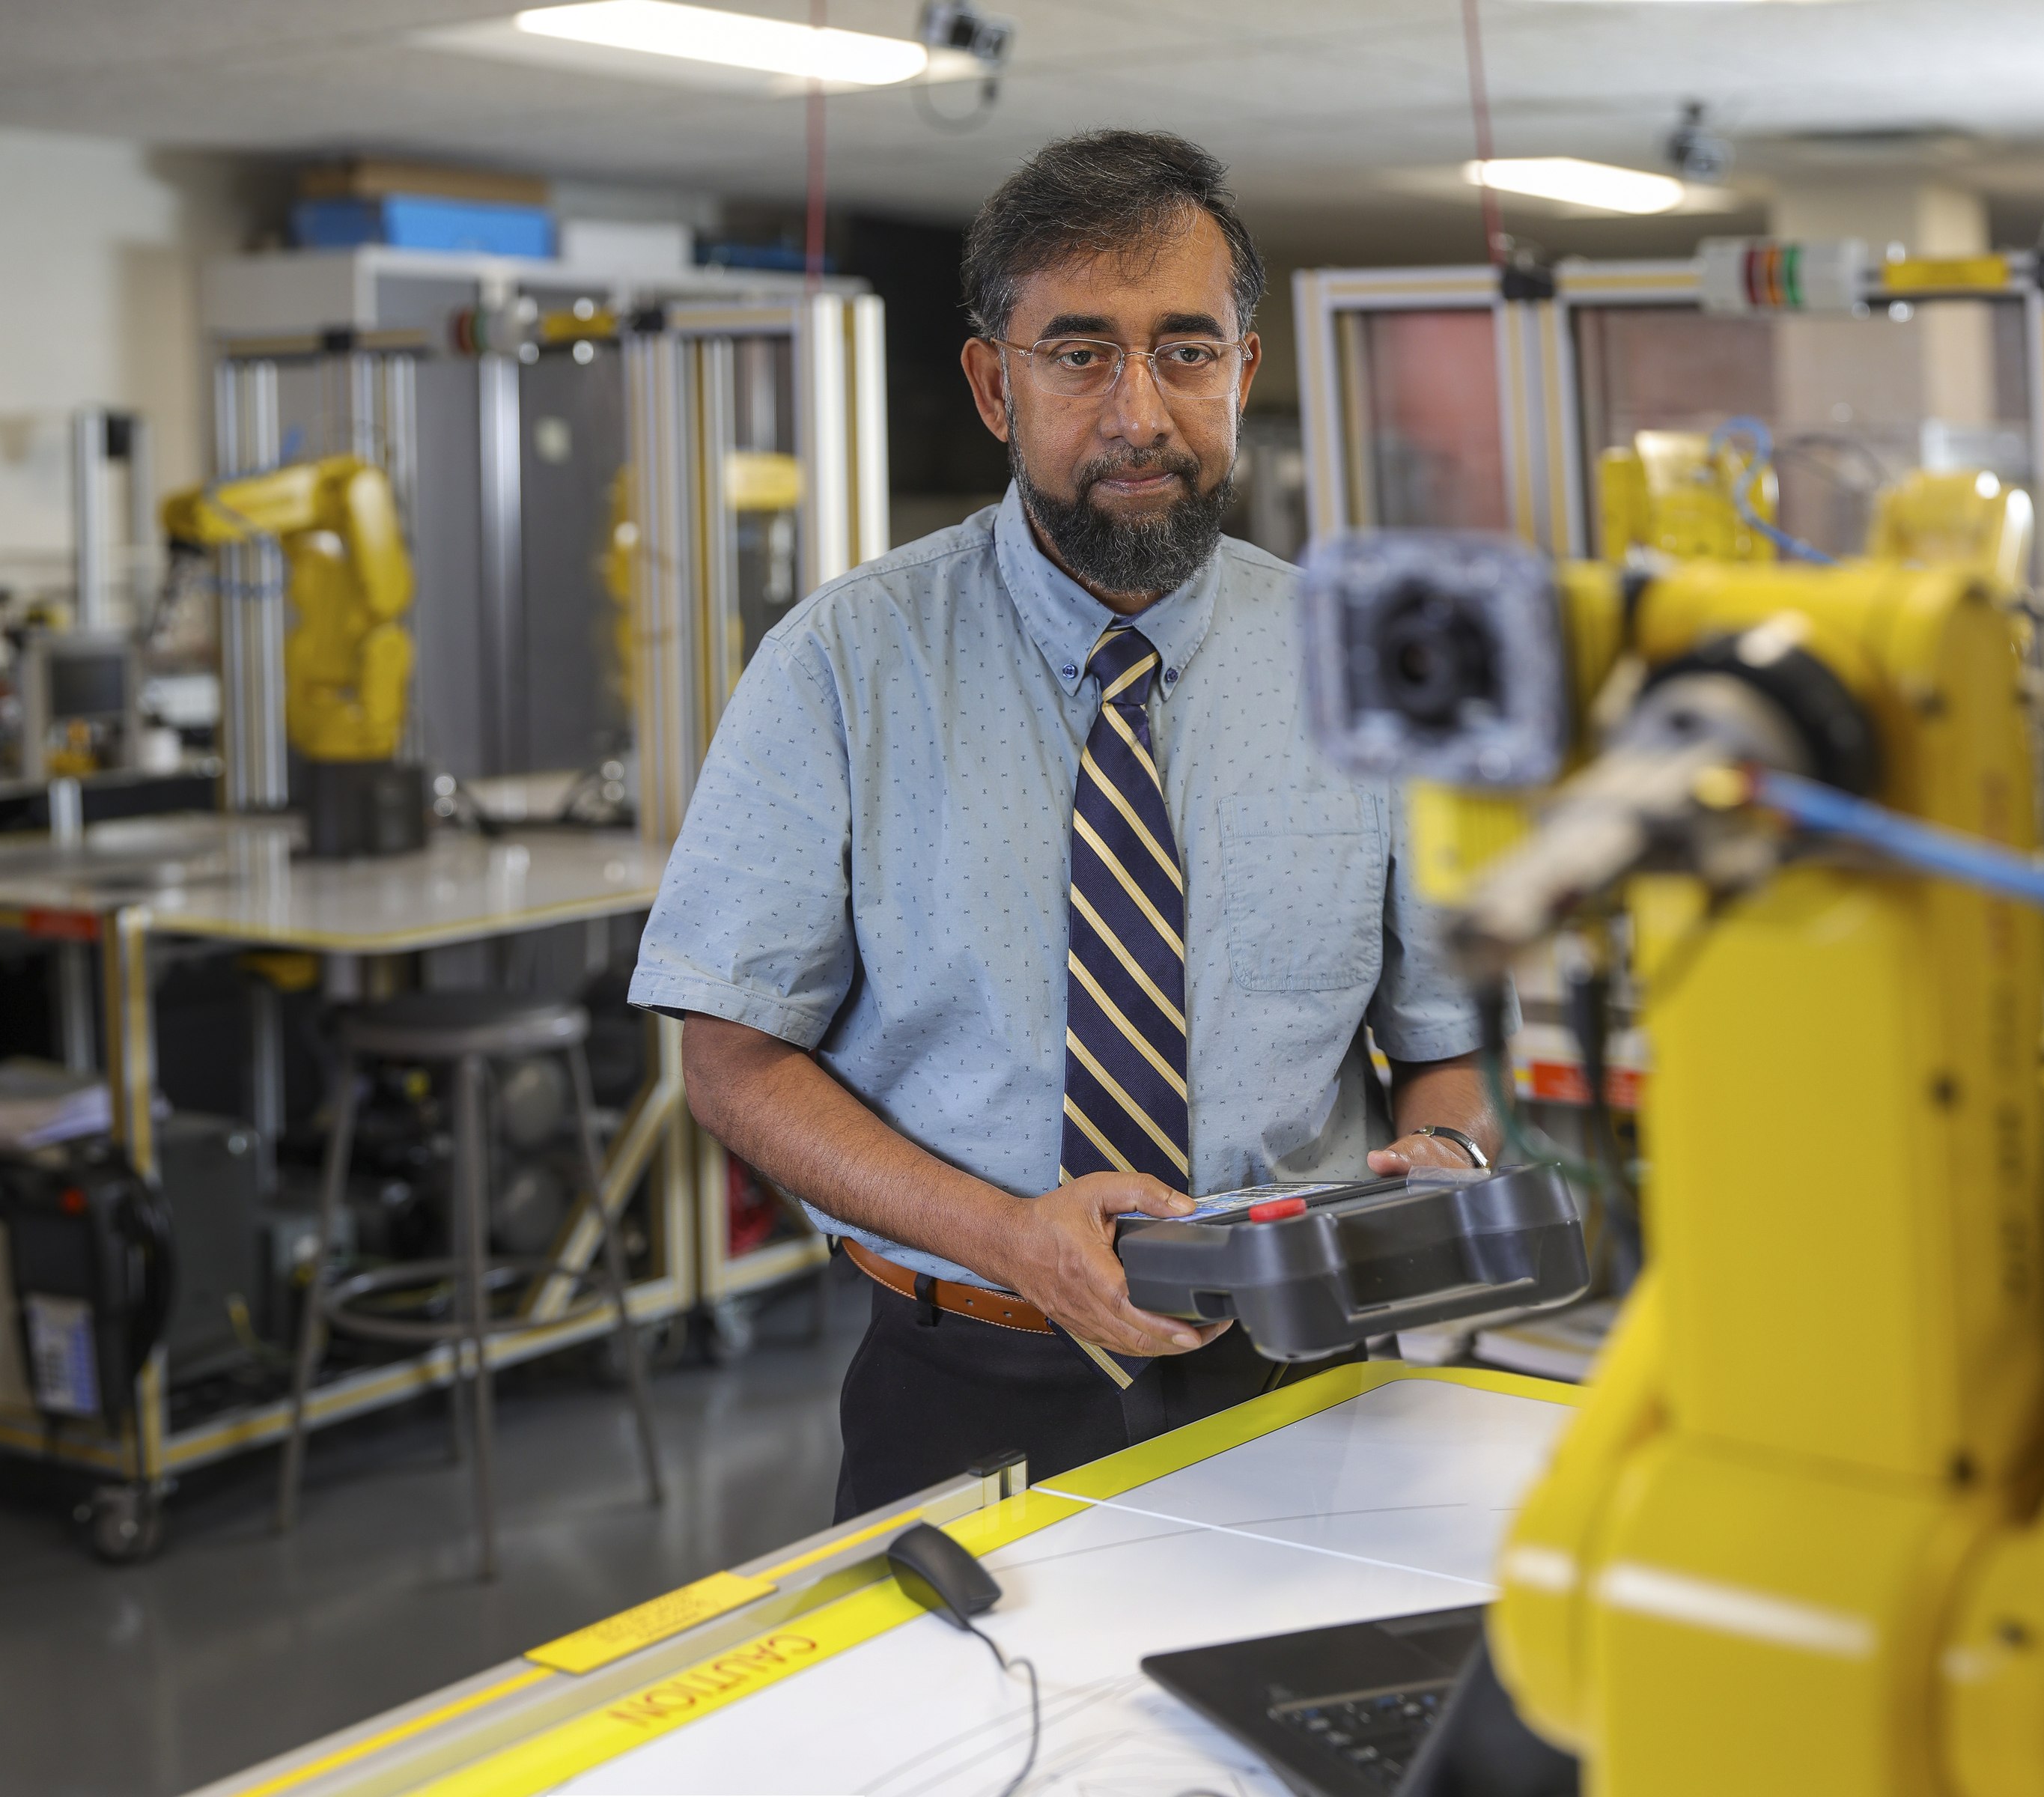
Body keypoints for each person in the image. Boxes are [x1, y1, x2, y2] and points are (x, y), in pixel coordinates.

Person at [630, 129, 1506, 1519]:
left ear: (1245, 368)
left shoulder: (1370, 669)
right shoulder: (844, 666)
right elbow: (733, 1061)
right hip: (967, 1375)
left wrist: (1446, 1158)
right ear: (995, 383)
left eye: (1187, 350)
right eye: (1080, 353)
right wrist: (1012, 1240)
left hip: (1312, 1369)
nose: (1140, 414)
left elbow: (1445, 1048)